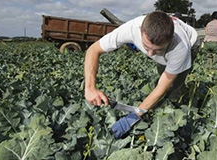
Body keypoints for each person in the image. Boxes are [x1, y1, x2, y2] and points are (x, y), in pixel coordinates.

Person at [84, 11, 200, 139]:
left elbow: (163, 86)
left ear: (171, 39)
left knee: (173, 88)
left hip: (191, 45)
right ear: (140, 30)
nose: (150, 54)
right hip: (167, 51)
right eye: (146, 46)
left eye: (157, 50)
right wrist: (90, 88)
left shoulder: (180, 48)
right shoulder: (131, 28)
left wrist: (136, 114)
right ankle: (153, 107)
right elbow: (93, 50)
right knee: (161, 77)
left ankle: (172, 116)